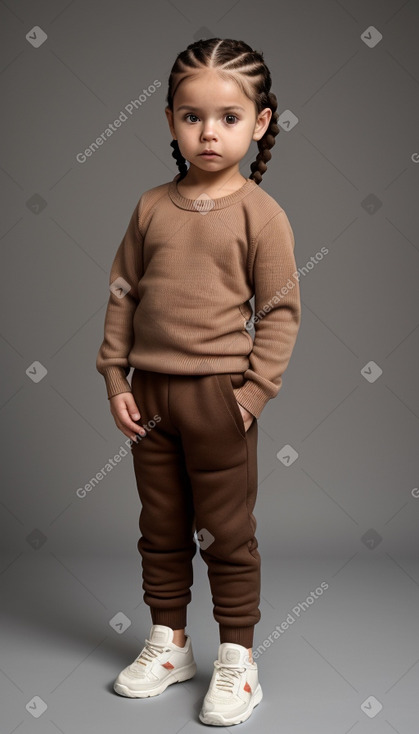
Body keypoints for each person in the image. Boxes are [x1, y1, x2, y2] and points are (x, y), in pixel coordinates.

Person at [96, 37, 301, 726]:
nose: (207, 132)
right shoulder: (151, 206)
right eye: (190, 116)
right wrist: (114, 376)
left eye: (228, 117)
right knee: (159, 525)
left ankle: (237, 661)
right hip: (147, 396)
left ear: (261, 123)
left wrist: (248, 398)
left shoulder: (260, 216)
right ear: (169, 121)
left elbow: (279, 316)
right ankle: (170, 641)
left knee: (225, 532)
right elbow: (123, 291)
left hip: (217, 399)